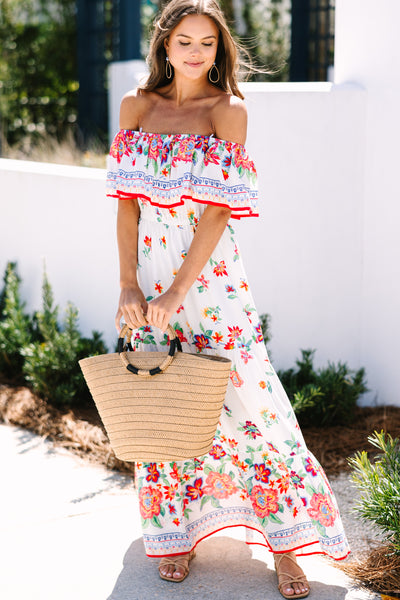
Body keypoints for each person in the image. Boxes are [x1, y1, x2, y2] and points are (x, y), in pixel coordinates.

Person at [107, 0, 350, 597]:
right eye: (184, 41)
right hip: (148, 280)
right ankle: (176, 534)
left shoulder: (229, 110)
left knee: (252, 405)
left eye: (207, 44)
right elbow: (127, 206)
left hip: (209, 284)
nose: (195, 52)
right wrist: (130, 284)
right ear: (165, 45)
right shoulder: (136, 106)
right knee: (165, 408)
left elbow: (218, 214)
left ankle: (287, 547)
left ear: (220, 50)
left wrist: (177, 292)